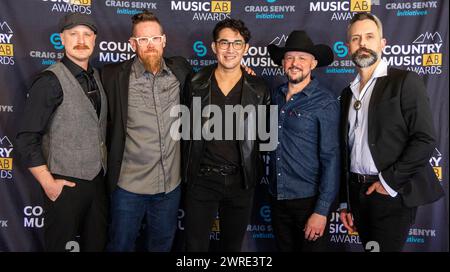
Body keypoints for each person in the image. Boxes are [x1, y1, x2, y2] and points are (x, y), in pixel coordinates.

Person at [339, 12, 444, 252]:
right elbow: (346, 149)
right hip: (358, 194)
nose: (362, 43)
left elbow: (425, 139)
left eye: (369, 36)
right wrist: (346, 200)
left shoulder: (405, 81)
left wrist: (388, 183)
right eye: (356, 38)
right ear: (348, 47)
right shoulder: (347, 93)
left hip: (390, 193)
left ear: (382, 43)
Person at [16, 13, 108, 251]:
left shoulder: (97, 77)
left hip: (97, 184)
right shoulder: (50, 80)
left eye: (87, 34)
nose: (81, 40)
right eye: (73, 34)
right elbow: (26, 138)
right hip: (63, 185)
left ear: (95, 40)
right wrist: (49, 183)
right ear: (61, 39)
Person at [101, 10, 192, 252]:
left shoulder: (180, 71)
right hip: (127, 187)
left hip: (169, 187)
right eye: (143, 40)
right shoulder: (112, 76)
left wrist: (244, 72)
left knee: (161, 247)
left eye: (154, 39)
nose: (150, 45)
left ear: (164, 40)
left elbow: (216, 80)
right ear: (133, 44)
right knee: (120, 245)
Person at [183, 18, 270, 252]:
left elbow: (265, 139)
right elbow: (183, 131)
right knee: (195, 247)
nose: (230, 50)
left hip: (240, 182)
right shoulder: (194, 83)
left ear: (246, 49)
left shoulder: (259, 88)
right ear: (214, 47)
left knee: (232, 248)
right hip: (201, 180)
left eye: (237, 43)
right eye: (224, 43)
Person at [267, 30, 340, 251]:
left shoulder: (324, 102)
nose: (294, 63)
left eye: (302, 58)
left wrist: (321, 211)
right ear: (282, 63)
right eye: (289, 57)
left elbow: (332, 158)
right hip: (277, 198)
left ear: (313, 63)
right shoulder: (275, 97)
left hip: (308, 201)